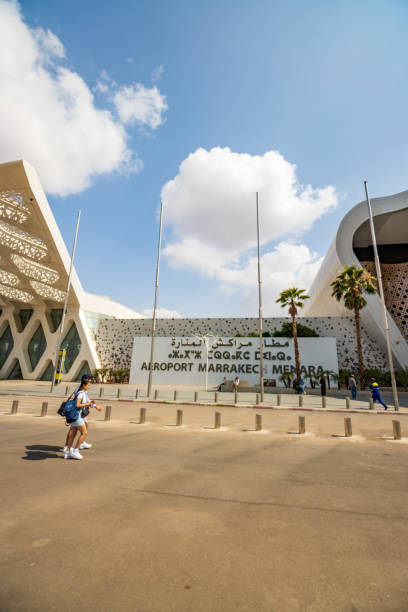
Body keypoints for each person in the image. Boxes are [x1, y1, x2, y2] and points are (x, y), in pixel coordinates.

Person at [64, 378, 102, 459]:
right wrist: (88, 403)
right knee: (84, 433)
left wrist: (91, 404)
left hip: (76, 416)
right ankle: (75, 450)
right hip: (77, 416)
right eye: (88, 385)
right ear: (84, 385)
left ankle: (67, 452)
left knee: (73, 434)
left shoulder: (82, 392)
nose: (89, 387)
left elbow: (84, 402)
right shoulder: (81, 393)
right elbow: (77, 405)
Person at [62, 374, 93, 453]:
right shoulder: (80, 390)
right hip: (77, 412)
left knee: (78, 428)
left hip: (79, 411)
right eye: (89, 380)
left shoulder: (83, 390)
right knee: (76, 431)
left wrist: (93, 405)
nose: (90, 382)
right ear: (85, 380)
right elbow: (79, 403)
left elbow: (86, 399)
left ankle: (71, 448)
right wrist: (89, 404)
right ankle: (71, 448)